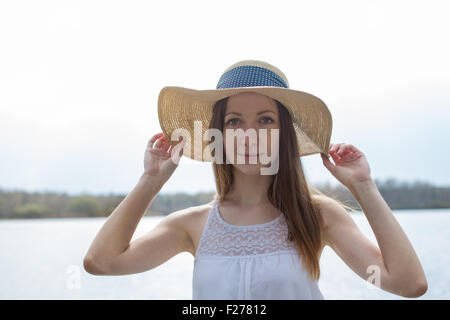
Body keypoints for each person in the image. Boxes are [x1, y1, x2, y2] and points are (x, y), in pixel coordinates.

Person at [83, 60, 428, 299]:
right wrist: (150, 180)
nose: (249, 135)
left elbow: (408, 284)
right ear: (218, 133)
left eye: (265, 120)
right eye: (234, 122)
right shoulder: (192, 226)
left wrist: (363, 187)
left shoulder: (317, 217)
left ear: (284, 135)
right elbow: (102, 262)